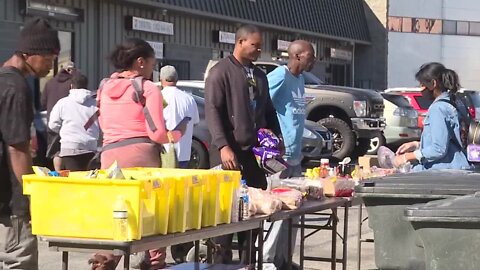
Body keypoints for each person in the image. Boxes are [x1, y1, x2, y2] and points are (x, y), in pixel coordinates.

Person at [91, 38, 186, 270]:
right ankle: (154, 262)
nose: (153, 70)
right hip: (142, 158)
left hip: (109, 157)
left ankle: (104, 261)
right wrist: (178, 134)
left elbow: (102, 124)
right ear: (140, 62)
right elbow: (156, 134)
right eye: (152, 64)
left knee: (117, 213)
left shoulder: (103, 87)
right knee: (151, 213)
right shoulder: (147, 88)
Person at [205, 24, 283, 265]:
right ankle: (221, 264)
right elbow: (213, 110)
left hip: (255, 156)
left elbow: (269, 110)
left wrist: (277, 138)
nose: (259, 49)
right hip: (229, 154)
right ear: (240, 43)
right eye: (254, 45)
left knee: (252, 216)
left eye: (260, 46)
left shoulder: (259, 75)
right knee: (228, 216)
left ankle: (249, 263)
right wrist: (222, 145)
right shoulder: (221, 72)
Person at [0, 17, 60, 269]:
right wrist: (29, 193)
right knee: (19, 260)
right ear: (28, 55)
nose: (50, 66)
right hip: (11, 197)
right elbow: (17, 146)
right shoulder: (16, 87)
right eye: (47, 59)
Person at [263, 40, 315, 270]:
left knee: (293, 213)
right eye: (310, 56)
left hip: (296, 156)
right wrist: (274, 138)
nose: (314, 60)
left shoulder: (300, 79)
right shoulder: (279, 77)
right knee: (275, 210)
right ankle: (265, 260)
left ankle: (283, 260)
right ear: (297, 56)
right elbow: (261, 105)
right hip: (279, 157)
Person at [394, 62, 470, 171]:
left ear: (433, 83)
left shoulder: (438, 109)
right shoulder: (456, 102)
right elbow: (446, 140)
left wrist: (407, 157)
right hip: (460, 165)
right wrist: (416, 145)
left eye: (422, 84)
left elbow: (438, 149)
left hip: (444, 171)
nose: (420, 89)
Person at [48, 72, 99, 171]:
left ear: (71, 86)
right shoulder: (95, 103)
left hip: (69, 146)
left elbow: (53, 124)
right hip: (91, 147)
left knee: (73, 180)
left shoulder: (63, 103)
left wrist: (64, 131)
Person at [160, 65, 200, 169]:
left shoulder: (158, 97)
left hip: (164, 154)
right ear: (176, 79)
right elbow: (195, 122)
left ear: (161, 79)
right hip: (184, 154)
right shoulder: (189, 99)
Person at [41, 60, 77, 171]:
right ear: (70, 70)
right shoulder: (72, 83)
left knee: (56, 151)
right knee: (67, 149)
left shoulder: (49, 82)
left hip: (52, 122)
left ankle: (58, 174)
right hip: (68, 122)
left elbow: (43, 103)